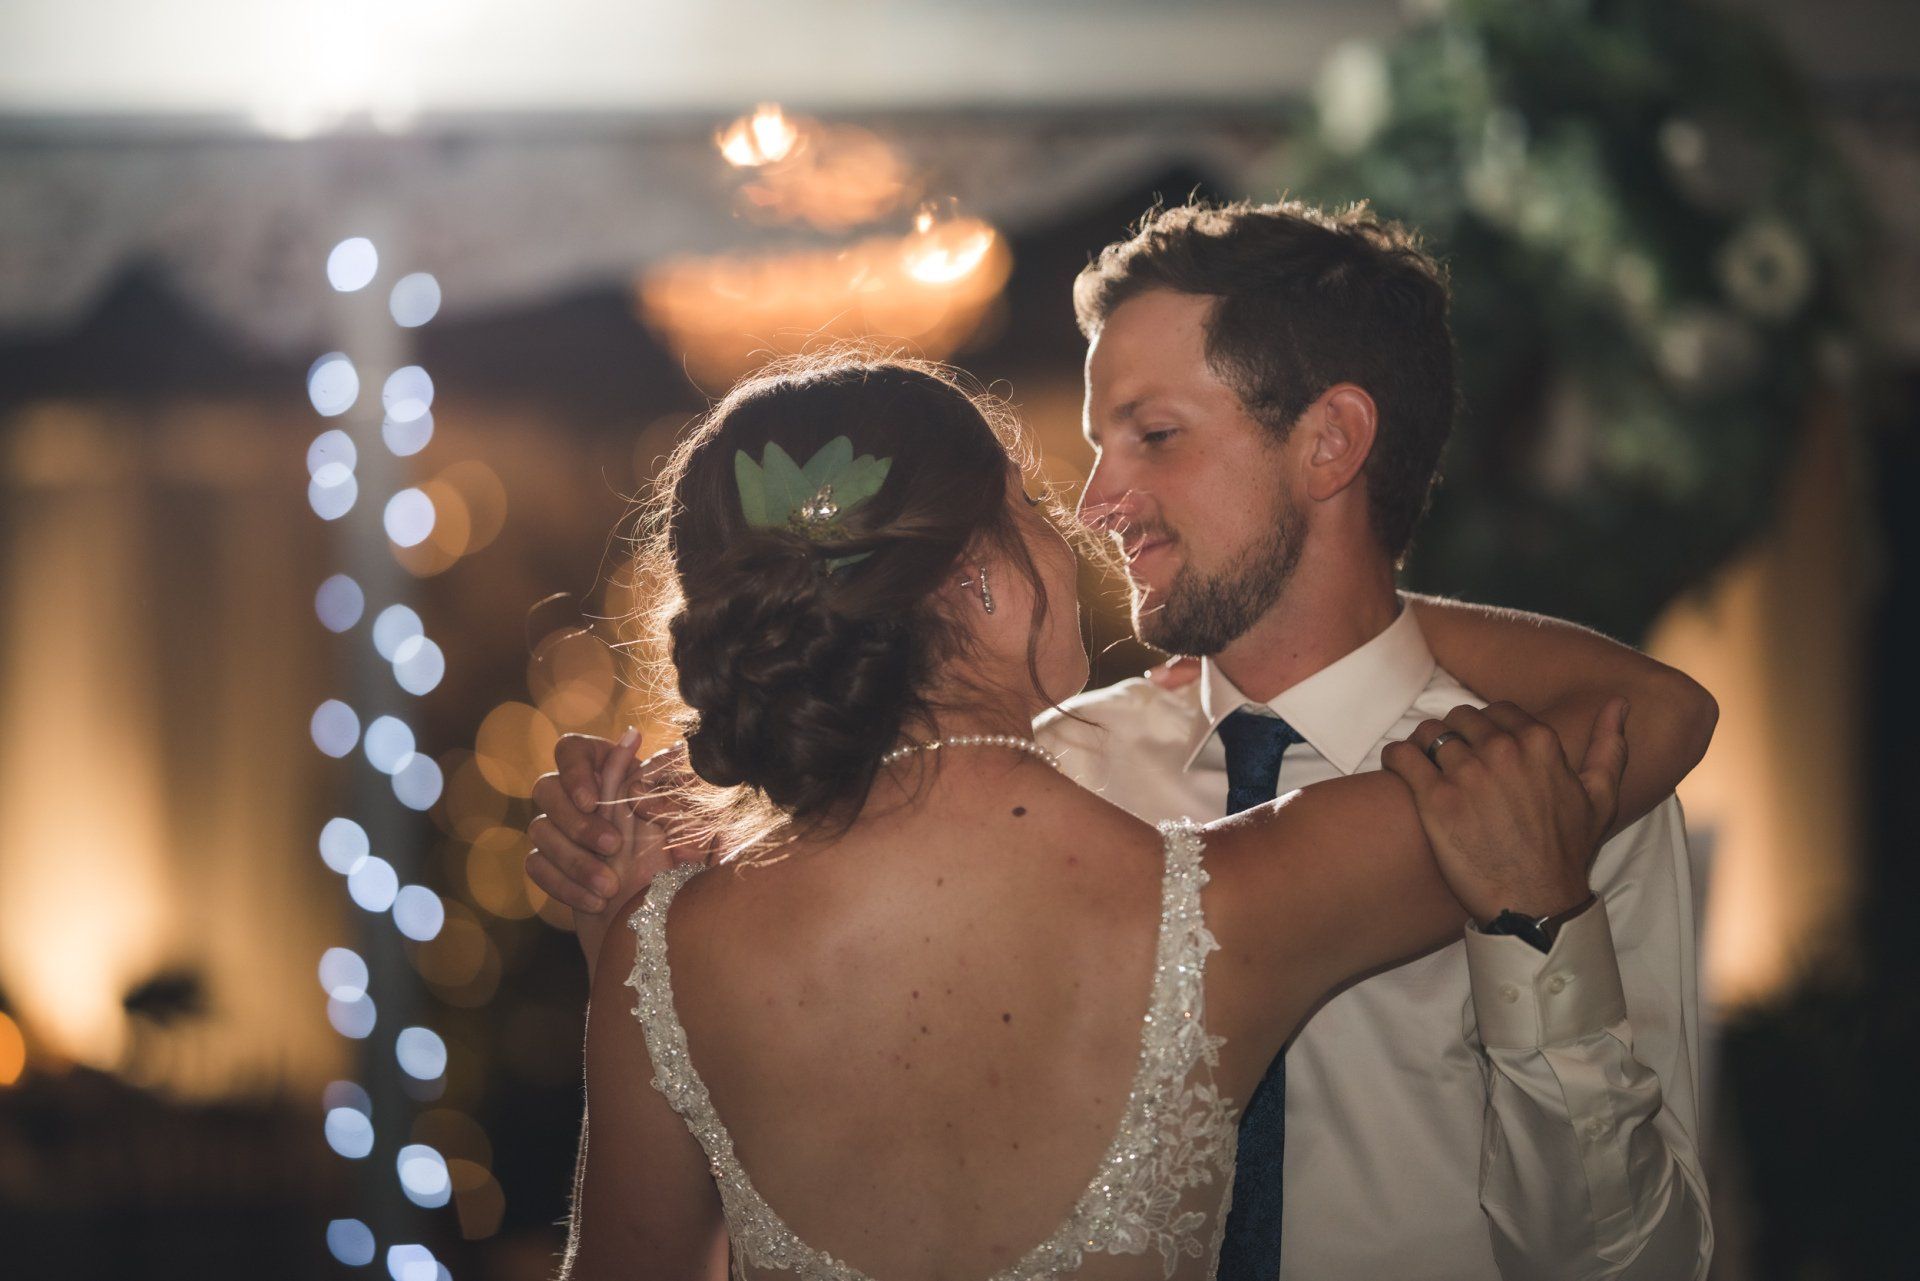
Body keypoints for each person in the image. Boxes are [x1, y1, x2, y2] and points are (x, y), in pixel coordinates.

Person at [537, 201, 1719, 1280]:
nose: (1097, 502)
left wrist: (631, 942)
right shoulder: (1066, 785)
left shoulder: (1546, 798)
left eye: (1152, 435)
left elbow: (1641, 1263)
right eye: (1087, 459)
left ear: (1331, 443)